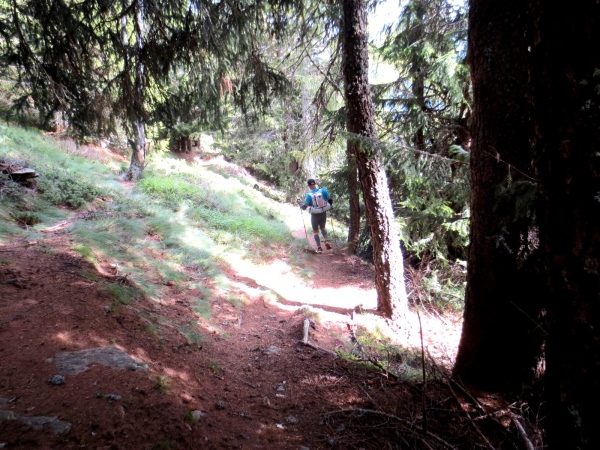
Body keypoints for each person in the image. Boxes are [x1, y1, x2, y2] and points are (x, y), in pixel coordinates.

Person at [297, 178, 333, 253]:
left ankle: (319, 248)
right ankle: (326, 241)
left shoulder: (309, 195)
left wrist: (300, 202)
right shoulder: (323, 191)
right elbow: (330, 200)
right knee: (323, 228)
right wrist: (328, 207)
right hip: (323, 212)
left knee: (315, 231)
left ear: (309, 186)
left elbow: (304, 207)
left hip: (314, 214)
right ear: (315, 184)